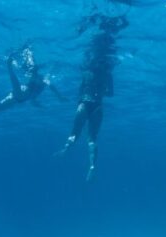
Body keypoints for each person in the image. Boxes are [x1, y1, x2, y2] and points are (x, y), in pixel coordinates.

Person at [56, 14, 128, 181]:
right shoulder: (107, 74)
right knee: (91, 139)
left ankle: (66, 148)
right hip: (98, 105)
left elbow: (80, 91)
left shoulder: (86, 71)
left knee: (74, 132)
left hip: (83, 104)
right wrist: (100, 92)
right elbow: (110, 94)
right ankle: (92, 165)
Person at [0, 46, 65, 112]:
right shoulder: (41, 79)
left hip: (20, 97)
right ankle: (9, 67)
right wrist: (59, 96)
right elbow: (51, 86)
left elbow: (46, 89)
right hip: (22, 95)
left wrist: (39, 104)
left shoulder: (41, 79)